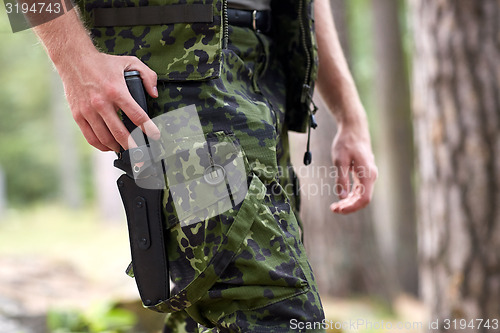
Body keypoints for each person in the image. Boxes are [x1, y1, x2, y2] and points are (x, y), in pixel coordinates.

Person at [33, 0, 377, 331]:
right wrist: (73, 60)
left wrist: (350, 114)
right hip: (173, 88)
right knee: (274, 314)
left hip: (266, 76)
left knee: (204, 318)